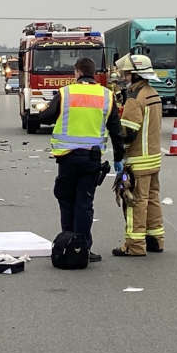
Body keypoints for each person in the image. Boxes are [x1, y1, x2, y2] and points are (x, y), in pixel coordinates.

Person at [36, 56, 125, 262]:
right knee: (84, 203)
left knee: (66, 200)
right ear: (93, 73)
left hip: (67, 158)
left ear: (77, 72)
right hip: (91, 159)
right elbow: (116, 131)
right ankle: (82, 247)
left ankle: (68, 243)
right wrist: (119, 158)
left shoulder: (66, 93)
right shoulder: (107, 95)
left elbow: (46, 117)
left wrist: (41, 113)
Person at [111, 54, 164, 257]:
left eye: (125, 73)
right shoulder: (153, 94)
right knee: (152, 198)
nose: (123, 77)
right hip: (153, 158)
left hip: (137, 160)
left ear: (134, 74)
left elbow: (128, 133)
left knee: (134, 202)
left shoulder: (135, 99)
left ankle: (134, 245)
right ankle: (156, 239)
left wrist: (114, 129)